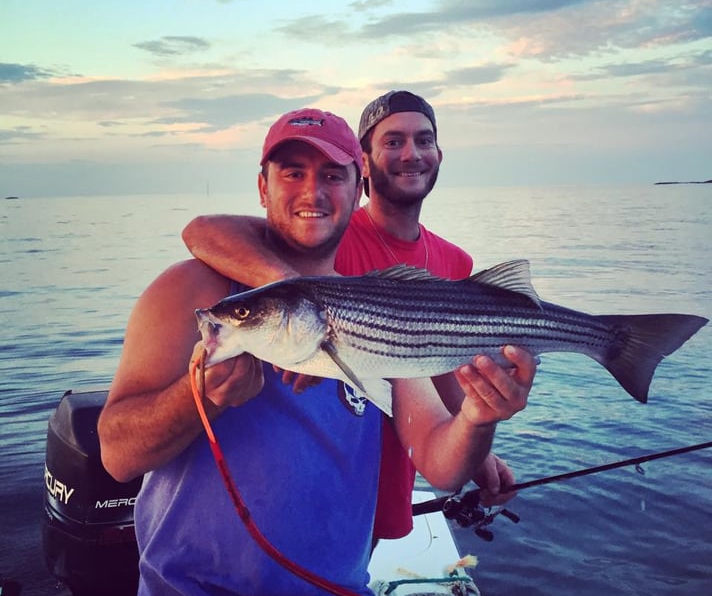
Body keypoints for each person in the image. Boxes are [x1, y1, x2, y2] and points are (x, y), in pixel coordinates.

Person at [98, 108, 536, 596]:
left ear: (359, 191)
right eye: (292, 172)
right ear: (262, 186)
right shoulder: (193, 290)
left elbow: (441, 462)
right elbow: (116, 455)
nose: (313, 190)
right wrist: (199, 396)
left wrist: (479, 417)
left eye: (332, 175)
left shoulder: (379, 315)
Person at [183, 91, 534, 541]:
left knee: (355, 573)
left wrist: (476, 439)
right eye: (392, 142)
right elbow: (202, 231)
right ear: (363, 164)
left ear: (439, 154)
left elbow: (440, 369)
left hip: (399, 469)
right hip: (326, 478)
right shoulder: (327, 234)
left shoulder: (454, 260)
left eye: (423, 140)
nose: (410, 154)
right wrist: (302, 301)